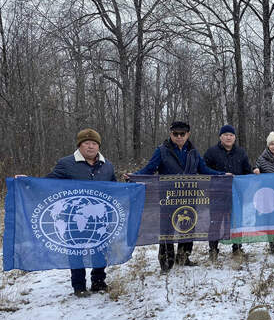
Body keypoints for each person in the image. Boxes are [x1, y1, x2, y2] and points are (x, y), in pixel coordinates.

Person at [129, 121, 225, 272]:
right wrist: (134, 177)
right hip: (168, 197)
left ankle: (184, 257)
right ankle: (166, 262)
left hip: (190, 195)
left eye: (182, 134)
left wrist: (223, 175)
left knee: (188, 227)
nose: (179, 137)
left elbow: (204, 169)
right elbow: (149, 169)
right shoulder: (161, 150)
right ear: (170, 134)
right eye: (176, 134)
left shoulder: (193, 151)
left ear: (188, 134)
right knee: (167, 230)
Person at [46, 128, 116, 297]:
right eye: (86, 143)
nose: (90, 147)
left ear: (98, 146)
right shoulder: (66, 163)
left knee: (100, 250)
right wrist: (25, 181)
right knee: (76, 251)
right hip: (74, 217)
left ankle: (99, 282)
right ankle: (79, 286)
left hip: (100, 217)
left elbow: (114, 187)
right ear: (79, 145)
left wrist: (132, 184)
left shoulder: (107, 165)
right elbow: (48, 182)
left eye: (94, 143)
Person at [204, 124, 252, 259]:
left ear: (235, 137)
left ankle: (237, 248)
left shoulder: (241, 152)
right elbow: (203, 170)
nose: (228, 137)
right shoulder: (211, 152)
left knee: (236, 222)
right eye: (225, 135)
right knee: (215, 222)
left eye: (231, 135)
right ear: (220, 137)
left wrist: (244, 187)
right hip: (217, 193)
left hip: (236, 194)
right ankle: (213, 250)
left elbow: (247, 172)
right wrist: (221, 175)